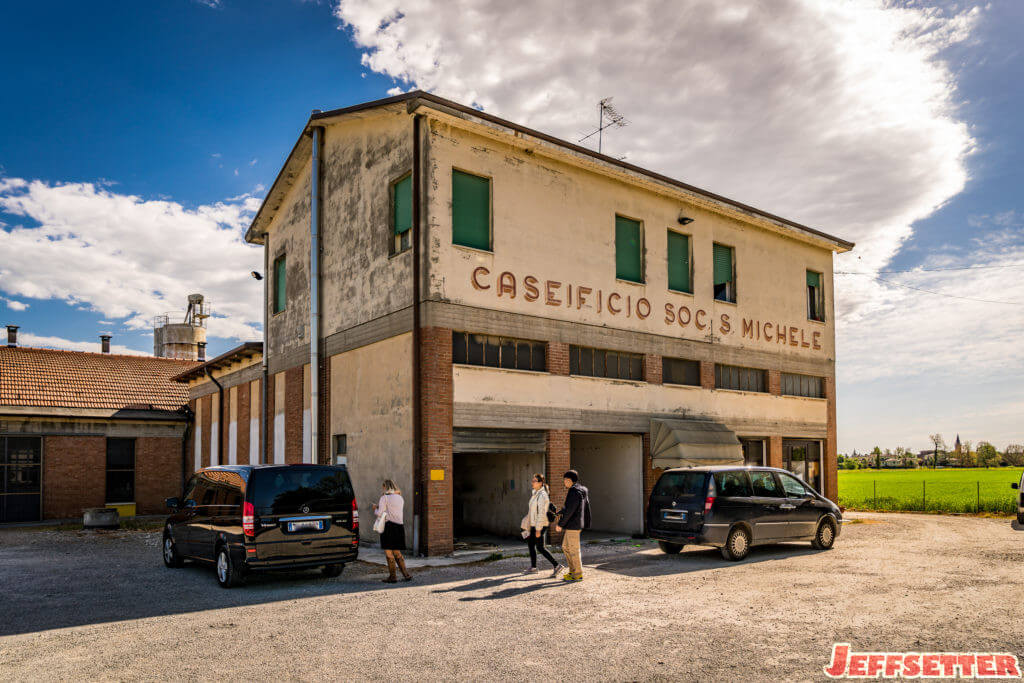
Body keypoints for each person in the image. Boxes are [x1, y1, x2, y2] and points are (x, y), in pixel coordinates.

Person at [521, 473, 564, 577]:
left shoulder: (542, 495)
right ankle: (534, 567)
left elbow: (541, 513)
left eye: (534, 481)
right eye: (532, 480)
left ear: (540, 483)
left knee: (540, 547)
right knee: (531, 544)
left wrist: (538, 529)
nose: (532, 482)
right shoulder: (536, 493)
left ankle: (557, 565)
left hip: (539, 524)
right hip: (534, 523)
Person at [372, 479, 412, 583]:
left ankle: (393, 577)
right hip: (399, 526)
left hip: (388, 526)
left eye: (383, 487)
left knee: (389, 552)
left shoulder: (384, 497)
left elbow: (380, 513)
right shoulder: (400, 498)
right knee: (397, 552)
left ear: (385, 486)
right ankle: (406, 575)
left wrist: (375, 508)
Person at [554, 469, 590, 582]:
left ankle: (577, 574)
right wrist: (561, 512)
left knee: (573, 550)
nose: (564, 482)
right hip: (574, 525)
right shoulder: (578, 490)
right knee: (566, 547)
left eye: (565, 480)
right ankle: (573, 571)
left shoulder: (574, 492)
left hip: (573, 525)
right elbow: (568, 508)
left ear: (569, 480)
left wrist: (560, 524)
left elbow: (570, 510)